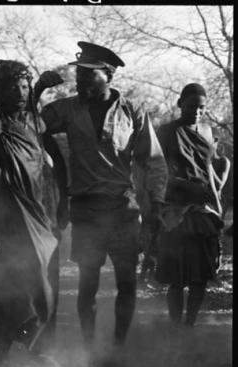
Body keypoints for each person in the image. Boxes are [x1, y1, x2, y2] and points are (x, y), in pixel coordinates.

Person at [34, 41, 168, 347]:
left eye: (88, 75)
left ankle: (118, 347)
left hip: (123, 209)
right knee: (87, 285)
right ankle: (89, 349)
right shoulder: (67, 109)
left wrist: (157, 204)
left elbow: (154, 161)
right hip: (86, 210)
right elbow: (32, 124)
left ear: (108, 75)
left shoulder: (132, 111)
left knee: (127, 283)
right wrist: (39, 89)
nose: (80, 80)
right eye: (78, 74)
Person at [0, 59, 59, 356]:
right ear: (0, 91)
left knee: (45, 290)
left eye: (24, 86)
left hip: (35, 217)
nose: (20, 92)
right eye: (13, 87)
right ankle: (4, 366)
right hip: (4, 222)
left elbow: (32, 108)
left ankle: (30, 354)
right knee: (9, 293)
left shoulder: (32, 122)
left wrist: (41, 86)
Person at [155, 83, 229, 327]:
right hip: (176, 210)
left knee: (200, 277)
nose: (196, 112)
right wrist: (187, 187)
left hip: (204, 212)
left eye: (201, 108)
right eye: (190, 107)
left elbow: (213, 165)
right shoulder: (165, 133)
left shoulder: (208, 132)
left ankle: (190, 325)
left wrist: (223, 170)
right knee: (177, 277)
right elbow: (157, 172)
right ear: (179, 104)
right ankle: (176, 327)